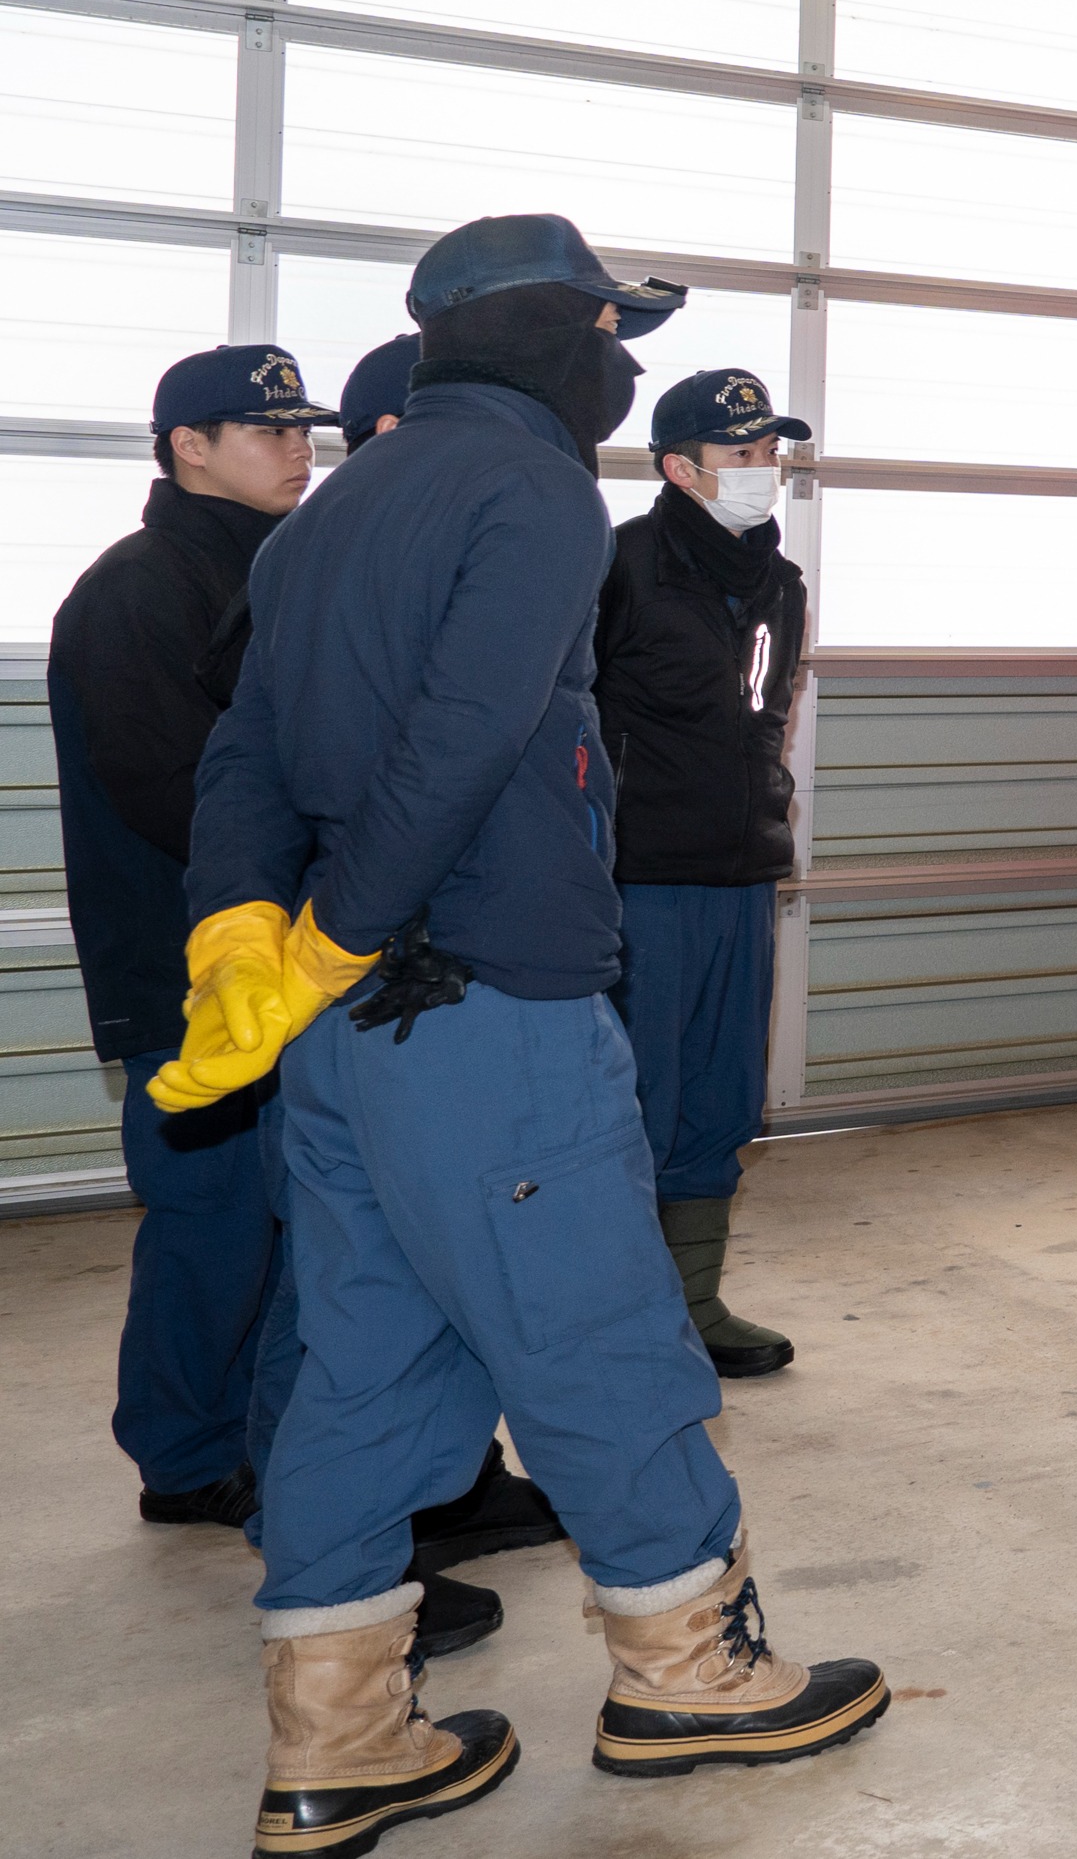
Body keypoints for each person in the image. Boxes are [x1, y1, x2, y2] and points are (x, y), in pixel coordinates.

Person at [166, 216, 885, 1856]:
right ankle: (688, 1671)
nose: (623, 365)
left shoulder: (331, 512)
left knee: (363, 1368)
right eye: (607, 334)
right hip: (484, 1003)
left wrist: (249, 934)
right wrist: (356, 918)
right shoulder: (533, 490)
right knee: (604, 1342)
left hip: (346, 1031)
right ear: (549, 338)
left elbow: (245, 757)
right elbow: (471, 735)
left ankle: (339, 1736)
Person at [45, 346, 550, 1663]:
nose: (294, 447)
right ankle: (231, 1473)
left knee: (310, 1237)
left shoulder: (286, 567)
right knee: (227, 1233)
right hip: (195, 976)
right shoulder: (137, 593)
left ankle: (340, 1482)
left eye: (300, 427)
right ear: (183, 447)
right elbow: (188, 793)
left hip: (304, 967)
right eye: (258, 428)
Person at [597, 367, 814, 1379]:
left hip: (742, 873)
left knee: (723, 1096)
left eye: (773, 454)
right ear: (682, 468)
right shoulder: (619, 568)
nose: (764, 472)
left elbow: (766, 721)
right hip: (642, 879)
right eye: (743, 454)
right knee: (637, 1094)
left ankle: (694, 1305)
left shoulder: (779, 583)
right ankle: (619, 1320)